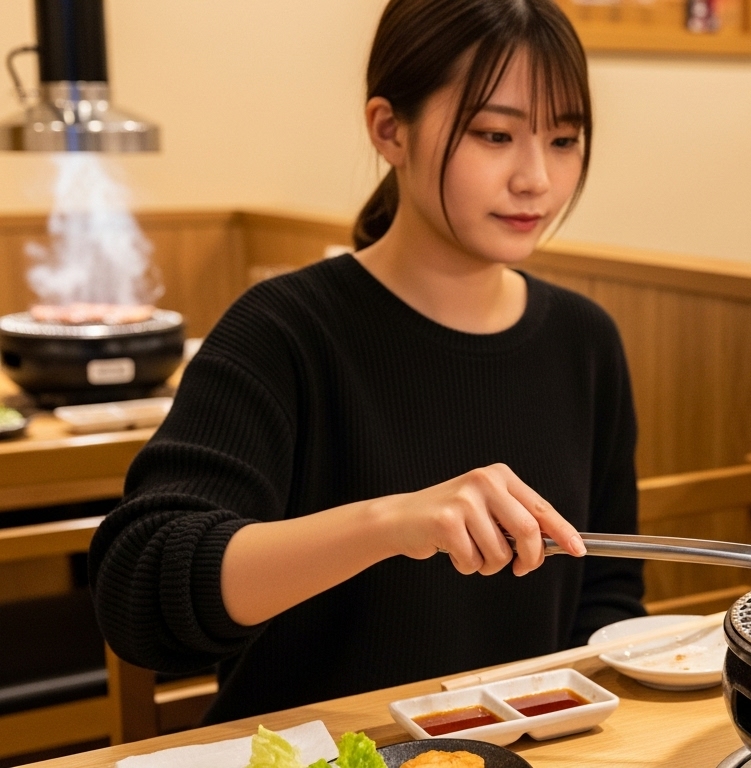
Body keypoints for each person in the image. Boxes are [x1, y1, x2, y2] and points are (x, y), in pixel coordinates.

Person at [88, 0, 645, 724]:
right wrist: (390, 524)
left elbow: (605, 597)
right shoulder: (283, 330)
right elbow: (142, 588)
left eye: (564, 139)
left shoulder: (585, 340)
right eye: (495, 134)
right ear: (390, 129)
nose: (536, 177)